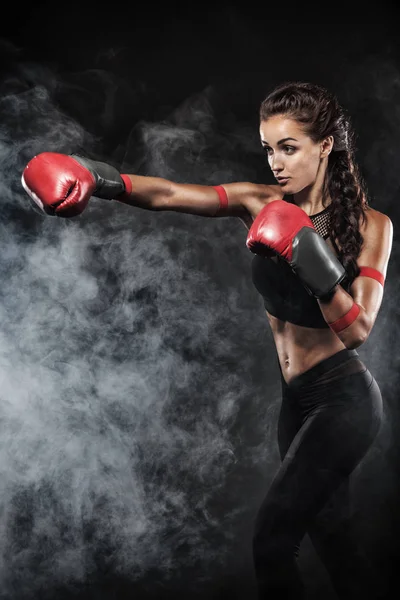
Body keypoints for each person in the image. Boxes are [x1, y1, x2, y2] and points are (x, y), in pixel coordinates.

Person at [21, 81, 393, 599]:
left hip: (344, 401)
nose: (276, 163)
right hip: (297, 404)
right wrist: (99, 179)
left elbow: (357, 330)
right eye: (269, 148)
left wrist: (312, 261)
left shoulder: (372, 225)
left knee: (272, 542)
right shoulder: (259, 201)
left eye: (289, 148)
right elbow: (173, 195)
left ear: (325, 144)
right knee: (336, 545)